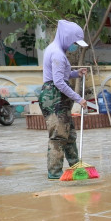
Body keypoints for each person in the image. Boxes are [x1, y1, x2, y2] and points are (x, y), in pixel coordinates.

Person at [38, 20, 88, 179]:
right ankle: (55, 173)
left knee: (70, 135)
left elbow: (61, 75)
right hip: (53, 97)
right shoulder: (57, 53)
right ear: (66, 37)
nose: (75, 46)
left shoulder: (57, 50)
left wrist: (75, 73)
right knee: (59, 136)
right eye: (74, 42)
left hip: (58, 97)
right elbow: (58, 82)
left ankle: (76, 167)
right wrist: (78, 98)